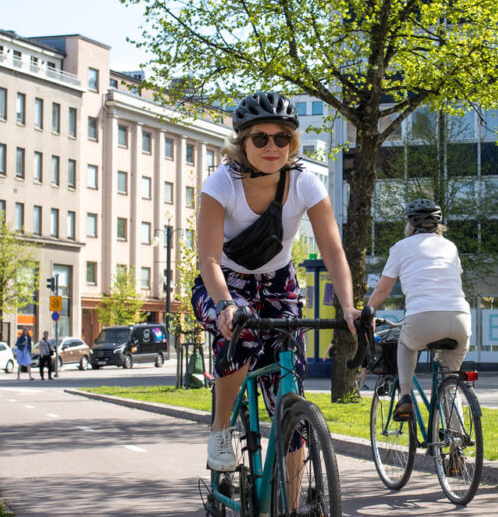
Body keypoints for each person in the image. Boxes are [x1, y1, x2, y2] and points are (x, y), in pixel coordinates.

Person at [193, 92, 359, 472]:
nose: (272, 147)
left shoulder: (304, 183)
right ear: (242, 142)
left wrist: (348, 306)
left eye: (281, 138)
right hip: (223, 282)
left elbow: (333, 252)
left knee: (290, 395)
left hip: (279, 283)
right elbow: (209, 259)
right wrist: (225, 304)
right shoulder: (221, 183)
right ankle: (221, 428)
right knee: (242, 330)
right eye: (260, 138)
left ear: (292, 143)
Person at [365, 198, 470, 420]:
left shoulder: (401, 247)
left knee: (406, 343)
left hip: (423, 317)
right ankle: (456, 445)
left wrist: (368, 312)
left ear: (410, 224)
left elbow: (383, 289)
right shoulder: (450, 246)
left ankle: (405, 396)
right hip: (461, 317)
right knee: (448, 383)